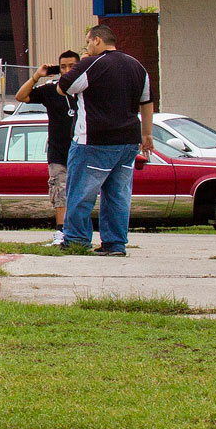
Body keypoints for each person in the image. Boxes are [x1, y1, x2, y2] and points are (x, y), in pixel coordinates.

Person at [54, 24, 154, 257]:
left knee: (81, 192)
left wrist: (82, 63)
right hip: (129, 141)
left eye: (88, 42)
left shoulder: (91, 64)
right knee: (117, 194)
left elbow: (62, 88)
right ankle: (114, 244)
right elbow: (146, 101)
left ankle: (76, 239)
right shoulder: (137, 66)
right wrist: (147, 135)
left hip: (94, 141)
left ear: (97, 40)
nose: (87, 47)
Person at [15, 49, 82, 234]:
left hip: (82, 151)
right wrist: (37, 76)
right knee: (60, 193)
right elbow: (21, 96)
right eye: (63, 67)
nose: (67, 70)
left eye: (72, 67)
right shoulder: (51, 90)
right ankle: (61, 233)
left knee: (79, 194)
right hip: (58, 153)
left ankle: (77, 233)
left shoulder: (84, 90)